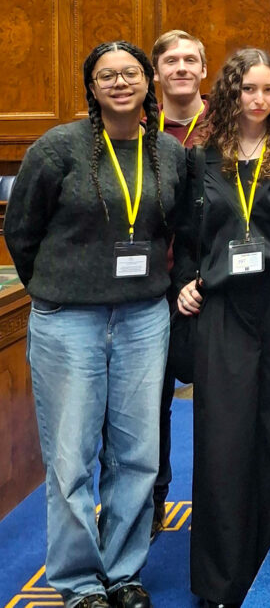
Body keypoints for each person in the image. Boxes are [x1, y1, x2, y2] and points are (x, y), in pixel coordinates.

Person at [5, 41, 187, 608]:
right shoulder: (59, 147)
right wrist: (56, 289)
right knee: (71, 456)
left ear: (146, 81)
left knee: (138, 455)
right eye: (106, 76)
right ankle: (81, 580)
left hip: (143, 319)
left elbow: (172, 228)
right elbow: (21, 230)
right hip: (69, 322)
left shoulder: (167, 152)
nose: (119, 83)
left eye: (129, 73)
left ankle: (124, 571)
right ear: (92, 87)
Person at [174, 48, 270, 607]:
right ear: (230, 92)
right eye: (247, 89)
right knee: (223, 435)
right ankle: (218, 578)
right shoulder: (202, 159)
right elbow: (187, 233)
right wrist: (188, 278)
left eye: (267, 90)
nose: (258, 100)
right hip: (225, 305)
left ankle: (264, 549)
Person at [150, 29, 210, 539]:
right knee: (149, 407)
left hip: (208, 286)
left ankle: (220, 503)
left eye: (191, 59)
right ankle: (151, 503)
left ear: (204, 71)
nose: (182, 67)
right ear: (157, 73)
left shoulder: (229, 125)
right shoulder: (136, 129)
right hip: (146, 289)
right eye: (171, 60)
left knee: (217, 399)